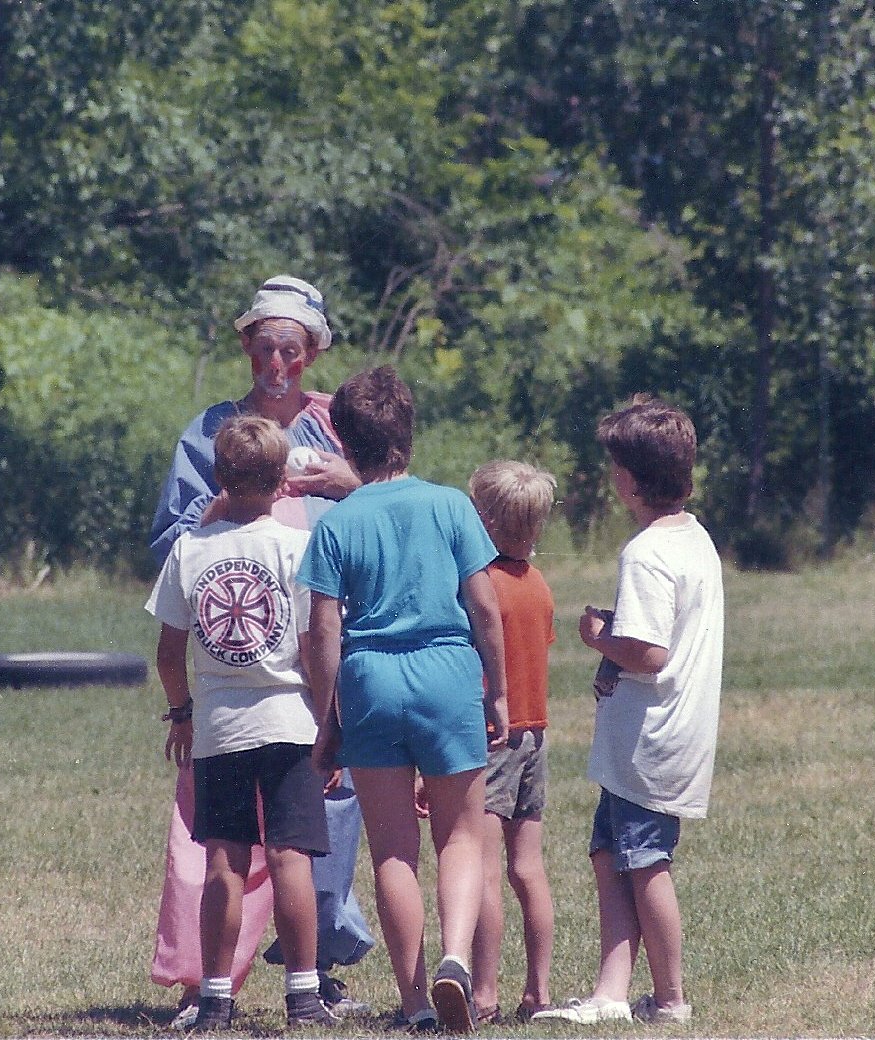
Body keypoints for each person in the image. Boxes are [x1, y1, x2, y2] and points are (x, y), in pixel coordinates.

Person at [147, 276, 374, 1029]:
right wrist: (223, 510)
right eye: (265, 347)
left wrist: (350, 484)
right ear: (246, 346)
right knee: (212, 840)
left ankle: (316, 973)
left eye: (294, 350)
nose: (278, 364)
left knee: (321, 828)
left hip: (324, 655)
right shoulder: (209, 431)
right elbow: (171, 544)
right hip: (232, 670)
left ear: (312, 353)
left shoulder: (339, 426)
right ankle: (205, 980)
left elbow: (388, 506)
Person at [298, 366, 510, 1034]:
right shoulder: (450, 505)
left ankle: (417, 1004)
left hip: (370, 680)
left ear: (344, 442)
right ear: (408, 436)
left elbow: (324, 629)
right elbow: (485, 608)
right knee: (460, 836)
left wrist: (326, 719)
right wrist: (497, 691)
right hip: (447, 674)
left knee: (393, 849)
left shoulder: (337, 522)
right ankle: (455, 959)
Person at [532, 396, 723, 1027]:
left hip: (651, 738)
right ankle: (611, 993)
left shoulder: (644, 552)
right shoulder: (693, 538)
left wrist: (597, 638)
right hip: (662, 733)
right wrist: (617, 644)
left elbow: (649, 652)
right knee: (610, 855)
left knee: (644, 864)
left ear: (627, 478)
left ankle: (669, 997)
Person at [146, 416, 337, 1031]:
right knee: (291, 860)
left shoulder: (190, 549)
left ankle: (216, 998)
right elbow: (313, 647)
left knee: (224, 864)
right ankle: (304, 997)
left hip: (219, 731)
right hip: (290, 724)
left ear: (219, 479)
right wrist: (329, 722)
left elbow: (169, 653)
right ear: (285, 481)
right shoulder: (298, 549)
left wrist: (181, 711)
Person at [465, 461, 558, 1026]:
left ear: (487, 517)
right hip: (535, 736)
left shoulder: (483, 586)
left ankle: (484, 991)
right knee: (529, 868)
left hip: (492, 737)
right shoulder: (538, 586)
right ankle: (540, 989)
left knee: (483, 865)